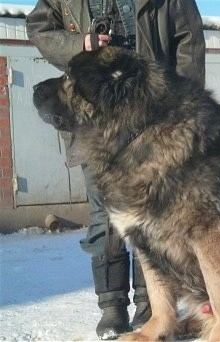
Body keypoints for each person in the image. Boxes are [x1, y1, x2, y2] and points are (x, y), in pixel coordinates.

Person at [26, 0, 205, 340]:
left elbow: (189, 42)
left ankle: (150, 303)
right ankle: (111, 306)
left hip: (153, 121)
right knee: (103, 217)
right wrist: (80, 44)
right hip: (95, 120)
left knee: (153, 218)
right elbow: (38, 27)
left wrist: (182, 103)